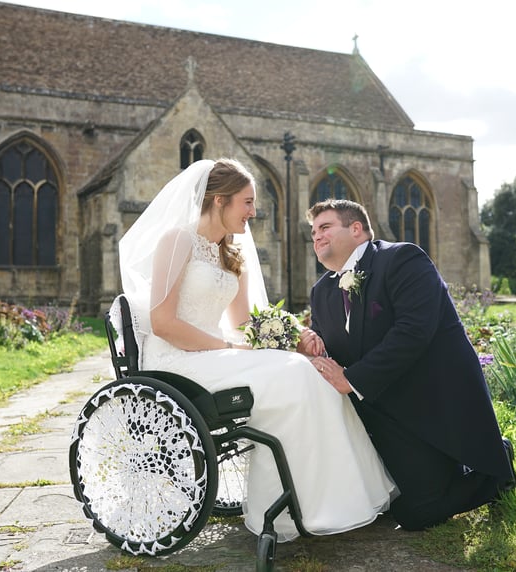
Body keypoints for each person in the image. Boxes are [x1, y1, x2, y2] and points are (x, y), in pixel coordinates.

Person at [116, 159, 394, 542]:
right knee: (293, 374)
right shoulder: (178, 241)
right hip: (176, 360)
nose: (253, 211)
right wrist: (227, 346)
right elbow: (163, 323)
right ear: (219, 200)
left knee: (310, 369)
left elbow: (247, 322)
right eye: (247, 202)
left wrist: (296, 335)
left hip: (216, 354)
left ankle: (335, 498)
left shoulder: (232, 253)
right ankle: (291, 509)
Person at [303, 198, 516, 531]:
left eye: (325, 227)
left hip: (432, 401)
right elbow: (331, 351)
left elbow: (413, 331)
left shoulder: (402, 259)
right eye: (313, 231)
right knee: (398, 502)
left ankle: (497, 465)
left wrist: (352, 379)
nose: (316, 236)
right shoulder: (321, 292)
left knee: (415, 514)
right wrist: (311, 346)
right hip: (382, 415)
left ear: (356, 229)